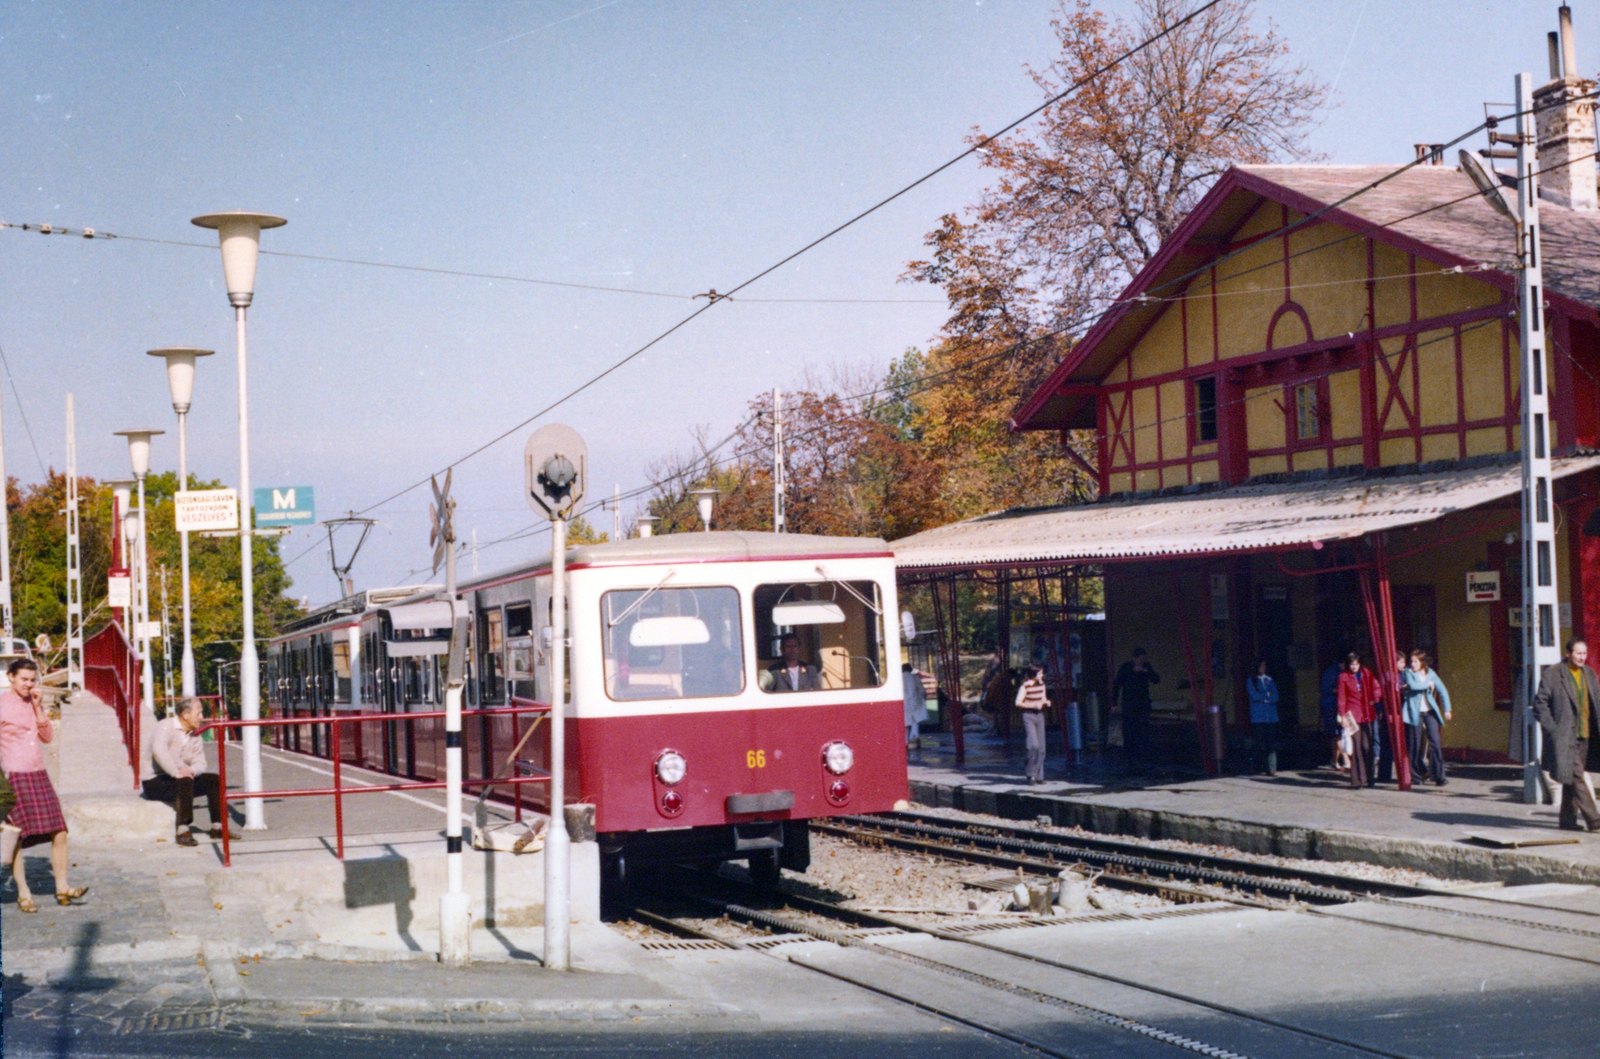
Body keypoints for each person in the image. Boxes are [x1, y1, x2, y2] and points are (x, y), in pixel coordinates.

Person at [0, 658, 86, 912]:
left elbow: (47, 737)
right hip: (13, 776)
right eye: (23, 679)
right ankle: (24, 894)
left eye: (32, 679)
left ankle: (62, 886)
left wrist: (38, 708)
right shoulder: (1, 705)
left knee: (59, 831)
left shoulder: (34, 702)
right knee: (16, 837)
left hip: (38, 774)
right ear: (11, 678)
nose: (28, 684)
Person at [144, 697, 238, 845]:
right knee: (185, 780)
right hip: (155, 781)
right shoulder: (165, 726)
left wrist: (192, 770)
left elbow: (200, 762)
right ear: (185, 714)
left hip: (180, 779)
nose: (201, 717)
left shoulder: (194, 735)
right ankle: (182, 830)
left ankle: (218, 827)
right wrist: (176, 772)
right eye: (198, 713)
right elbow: (159, 751)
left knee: (214, 779)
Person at [1531, 639, 1600, 832]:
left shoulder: (1589, 674)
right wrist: (1553, 729)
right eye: (1578, 653)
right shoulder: (1553, 674)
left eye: (1584, 653)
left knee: (1570, 777)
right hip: (1563, 737)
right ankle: (1595, 820)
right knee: (1577, 777)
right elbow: (1539, 706)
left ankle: (1567, 822)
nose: (1582, 657)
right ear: (1568, 653)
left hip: (1584, 734)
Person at [1401, 650, 1452, 786]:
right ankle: (1416, 776)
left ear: (1422, 662)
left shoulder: (1431, 674)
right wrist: (1427, 685)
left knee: (1435, 742)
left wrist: (1447, 709)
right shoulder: (1408, 672)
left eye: (1415, 661)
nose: (1412, 664)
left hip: (1429, 711)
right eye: (1411, 661)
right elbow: (1412, 686)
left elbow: (1443, 690)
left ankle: (1439, 776)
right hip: (1415, 712)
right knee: (1415, 744)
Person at [1111, 648, 1160, 771]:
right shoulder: (1126, 667)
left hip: (1143, 703)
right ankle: (1130, 757)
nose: (1143, 661)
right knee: (1129, 730)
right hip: (1129, 703)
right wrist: (1114, 702)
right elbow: (1117, 684)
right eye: (1141, 659)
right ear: (1135, 658)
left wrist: (1145, 671)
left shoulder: (1147, 667)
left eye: (1144, 659)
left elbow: (1156, 679)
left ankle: (1141, 756)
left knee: (1142, 729)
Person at [1337, 652, 1380, 789]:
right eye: (1352, 664)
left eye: (1356, 664)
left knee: (1367, 745)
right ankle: (1357, 780)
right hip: (1351, 715)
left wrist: (1375, 698)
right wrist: (1343, 715)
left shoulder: (1366, 673)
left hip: (1366, 713)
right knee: (1356, 745)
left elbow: (1376, 687)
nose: (1354, 667)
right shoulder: (1343, 677)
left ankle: (1370, 776)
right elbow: (1342, 697)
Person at [1015, 666, 1050, 784]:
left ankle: (1039, 776)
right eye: (1040, 674)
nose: (1042, 676)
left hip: (1039, 715)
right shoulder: (1025, 686)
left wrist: (1045, 702)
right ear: (1033, 675)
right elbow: (1018, 702)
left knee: (1041, 748)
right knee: (1033, 745)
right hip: (1028, 715)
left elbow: (1043, 697)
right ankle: (1030, 773)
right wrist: (1033, 705)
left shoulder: (1042, 685)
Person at [1246, 660, 1280, 776]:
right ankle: (1256, 766)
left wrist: (1264, 698)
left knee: (1271, 743)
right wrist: (1267, 695)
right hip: (1258, 717)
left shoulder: (1269, 680)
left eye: (1264, 665)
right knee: (1260, 743)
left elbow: (1275, 696)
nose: (1263, 667)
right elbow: (1254, 696)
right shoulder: (1251, 681)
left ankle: (1271, 768)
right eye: (1261, 665)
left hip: (1271, 716)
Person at [1319, 659, 1344, 770]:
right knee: (1336, 733)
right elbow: (1325, 688)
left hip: (1341, 706)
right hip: (1331, 706)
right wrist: (1340, 690)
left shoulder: (1340, 671)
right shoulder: (1332, 672)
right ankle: (1347, 760)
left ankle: (1334, 760)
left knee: (1339, 734)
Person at [902, 662, 929, 749]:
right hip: (915, 701)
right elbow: (922, 691)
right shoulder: (915, 677)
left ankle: (905, 742)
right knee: (915, 720)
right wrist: (924, 697)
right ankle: (916, 736)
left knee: (905, 723)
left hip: (903, 703)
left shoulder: (898, 679)